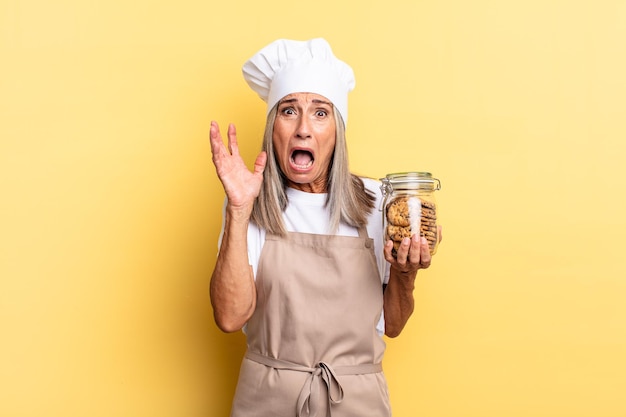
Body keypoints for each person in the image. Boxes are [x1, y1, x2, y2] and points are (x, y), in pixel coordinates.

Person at [209, 38, 441, 417]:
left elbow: (393, 325)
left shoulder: (378, 203)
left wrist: (406, 272)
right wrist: (237, 210)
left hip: (357, 404)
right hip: (267, 403)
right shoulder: (248, 203)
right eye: (288, 111)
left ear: (337, 131)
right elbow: (230, 318)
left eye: (320, 113)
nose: (303, 128)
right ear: (273, 128)